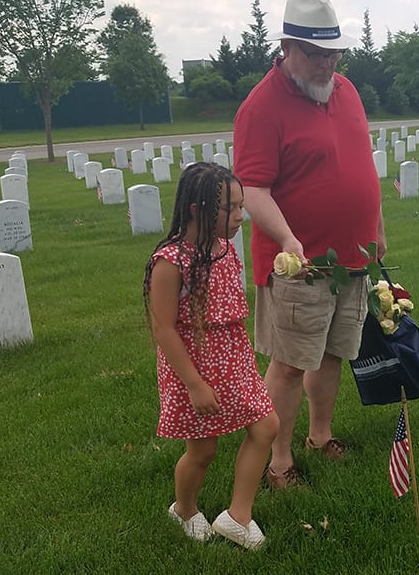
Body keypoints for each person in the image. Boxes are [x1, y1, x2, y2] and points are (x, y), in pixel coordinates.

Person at [232, 0, 386, 490]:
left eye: (333, 52)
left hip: (352, 259)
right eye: (316, 53)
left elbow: (364, 168)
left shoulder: (347, 92)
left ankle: (320, 436)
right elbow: (252, 190)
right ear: (287, 47)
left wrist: (376, 227)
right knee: (291, 363)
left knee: (334, 352)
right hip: (299, 262)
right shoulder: (261, 106)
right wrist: (288, 238)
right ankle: (278, 462)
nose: (327, 63)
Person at [143, 162, 279, 548]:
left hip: (234, 361)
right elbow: (163, 329)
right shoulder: (171, 262)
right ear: (196, 210)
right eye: (230, 209)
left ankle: (238, 517)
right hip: (193, 369)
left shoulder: (223, 248)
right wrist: (195, 384)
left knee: (266, 426)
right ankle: (184, 509)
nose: (240, 216)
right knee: (202, 451)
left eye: (241, 206)